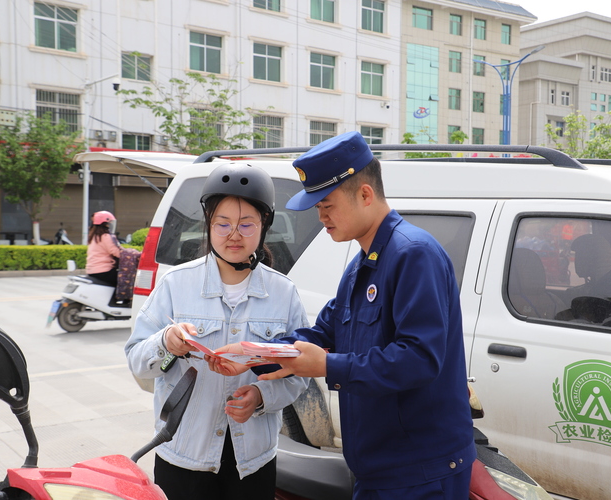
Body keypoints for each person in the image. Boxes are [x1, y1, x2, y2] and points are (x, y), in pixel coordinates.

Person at [209, 131, 476, 499]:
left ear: (365, 194)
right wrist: (255, 356)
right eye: (317, 208)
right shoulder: (360, 266)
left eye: (327, 205)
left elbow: (419, 360)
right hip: (377, 468)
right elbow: (322, 333)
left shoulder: (414, 255)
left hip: (419, 471)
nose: (321, 217)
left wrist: (328, 366)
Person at [124, 162, 309, 500]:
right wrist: (166, 342)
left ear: (264, 225)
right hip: (182, 455)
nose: (233, 234)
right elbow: (137, 360)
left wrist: (260, 398)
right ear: (208, 224)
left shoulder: (284, 294)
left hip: (251, 461)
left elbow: (299, 374)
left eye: (246, 224)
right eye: (222, 223)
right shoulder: (175, 285)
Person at [86, 210, 122, 286]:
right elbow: (116, 252)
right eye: (110, 223)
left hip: (91, 271)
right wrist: (130, 254)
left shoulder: (94, 236)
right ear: (106, 224)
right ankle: (121, 297)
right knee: (125, 279)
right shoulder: (106, 236)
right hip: (104, 271)